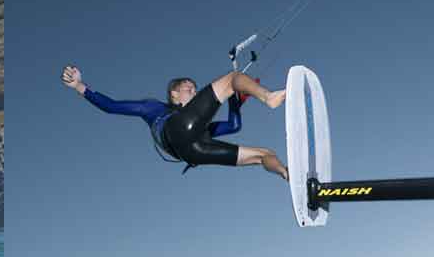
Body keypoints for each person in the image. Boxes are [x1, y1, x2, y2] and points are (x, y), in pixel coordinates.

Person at [62, 65, 288, 180]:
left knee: (264, 155)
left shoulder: (200, 125)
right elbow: (110, 106)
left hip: (194, 152)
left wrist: (235, 101)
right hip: (175, 132)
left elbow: (233, 126)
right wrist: (80, 86)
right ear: (174, 94)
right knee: (232, 77)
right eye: (189, 88)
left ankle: (286, 174)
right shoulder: (154, 108)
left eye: (195, 89)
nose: (195, 91)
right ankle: (269, 97)